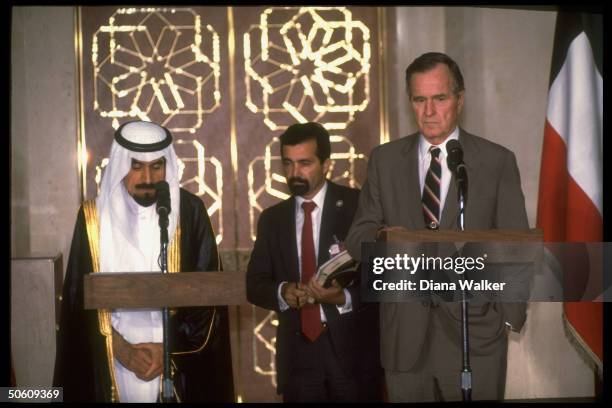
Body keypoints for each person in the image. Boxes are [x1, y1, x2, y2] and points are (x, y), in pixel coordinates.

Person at [346, 52, 529, 401]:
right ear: (410, 102)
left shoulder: (495, 161)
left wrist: (508, 317)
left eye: (439, 98)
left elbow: (516, 245)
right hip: (404, 335)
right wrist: (385, 241)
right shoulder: (384, 161)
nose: (429, 111)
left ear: (459, 99)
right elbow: (358, 237)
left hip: (475, 332)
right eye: (419, 99)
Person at [53, 120, 234, 402]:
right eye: (136, 166)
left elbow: (207, 297)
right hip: (113, 362)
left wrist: (167, 349)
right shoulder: (93, 219)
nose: (148, 177)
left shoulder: (190, 211)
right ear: (121, 164)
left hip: (175, 364)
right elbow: (78, 301)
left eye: (157, 166)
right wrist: (122, 349)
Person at [246, 122, 382, 402]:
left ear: (327, 164)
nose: (294, 173)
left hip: (352, 354)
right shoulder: (272, 219)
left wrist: (342, 297)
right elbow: (255, 284)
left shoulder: (358, 207)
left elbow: (381, 278)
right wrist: (282, 292)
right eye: (288, 163)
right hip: (298, 357)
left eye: (305, 163)